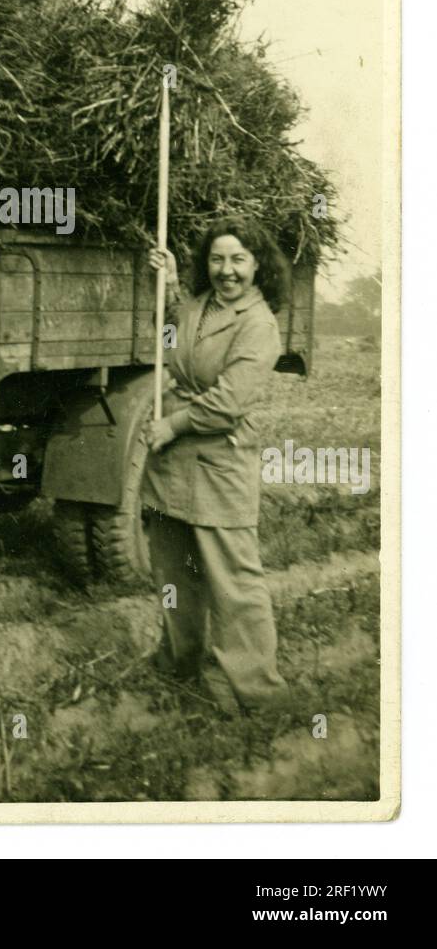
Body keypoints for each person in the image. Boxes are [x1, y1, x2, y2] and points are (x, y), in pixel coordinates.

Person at [143, 216, 291, 715]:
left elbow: (228, 401)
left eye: (238, 260)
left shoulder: (259, 324)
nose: (227, 271)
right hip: (173, 466)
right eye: (218, 259)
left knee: (234, 581)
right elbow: (170, 350)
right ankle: (180, 664)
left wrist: (172, 425)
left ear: (257, 266)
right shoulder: (195, 306)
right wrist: (167, 292)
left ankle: (260, 695)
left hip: (218, 460)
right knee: (173, 572)